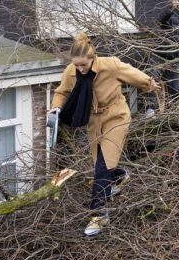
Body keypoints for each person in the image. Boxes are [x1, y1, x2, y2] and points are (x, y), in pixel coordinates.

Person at [49, 32, 159, 236]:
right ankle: (121, 175)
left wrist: (151, 85)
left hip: (116, 115)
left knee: (102, 166)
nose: (81, 69)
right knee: (102, 163)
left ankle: (98, 215)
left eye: (84, 65)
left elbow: (136, 76)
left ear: (93, 58)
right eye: (77, 65)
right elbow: (61, 92)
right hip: (93, 120)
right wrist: (55, 108)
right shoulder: (71, 71)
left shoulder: (110, 65)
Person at [147, 0, 179, 117]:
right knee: (152, 80)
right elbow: (157, 21)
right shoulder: (170, 13)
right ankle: (150, 110)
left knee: (175, 87)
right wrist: (169, 8)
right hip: (160, 53)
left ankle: (172, 115)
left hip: (176, 57)